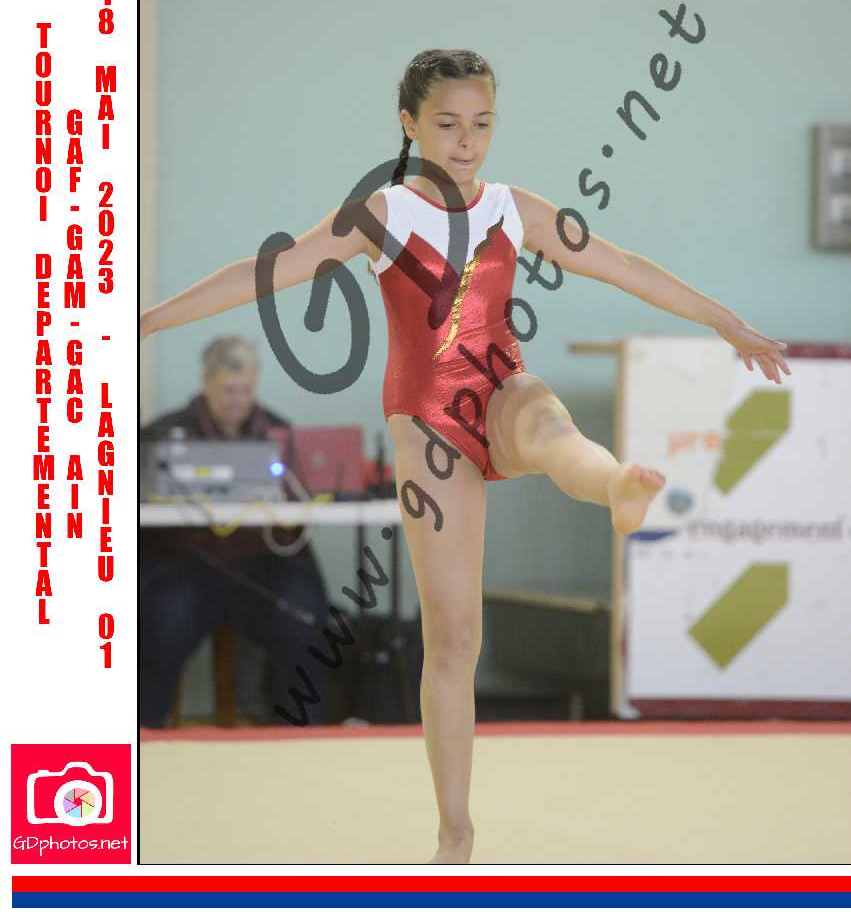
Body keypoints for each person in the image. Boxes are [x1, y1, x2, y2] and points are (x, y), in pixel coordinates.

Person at [139, 49, 791, 862]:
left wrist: (725, 321)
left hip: (502, 384)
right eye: (447, 124)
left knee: (548, 426)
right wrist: (148, 319)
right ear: (409, 125)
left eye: (481, 124)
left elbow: (621, 266)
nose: (467, 141)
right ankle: (456, 830)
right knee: (454, 640)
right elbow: (264, 273)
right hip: (428, 421)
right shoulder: (379, 214)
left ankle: (617, 484)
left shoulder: (517, 209)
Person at [140, 335, 332, 728]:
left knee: (305, 618)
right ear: (206, 382)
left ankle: (303, 733)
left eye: (245, 389)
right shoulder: (161, 435)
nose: (238, 400)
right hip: (187, 566)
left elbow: (299, 508)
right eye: (229, 389)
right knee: (160, 624)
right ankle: (144, 732)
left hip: (263, 566)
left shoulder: (278, 434)